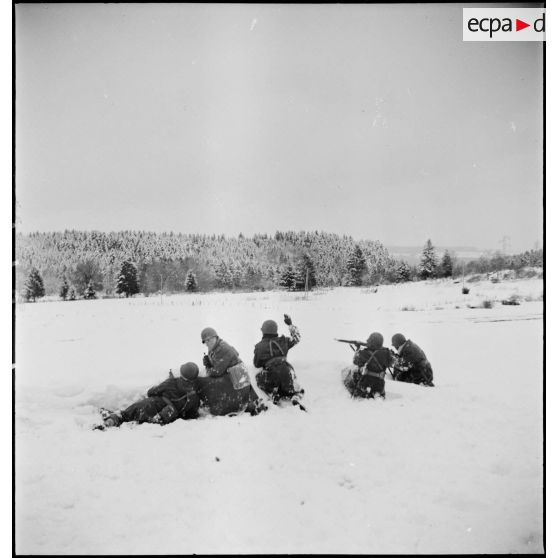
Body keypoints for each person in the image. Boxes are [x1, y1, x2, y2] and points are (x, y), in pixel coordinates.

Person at [96, 362, 201, 429]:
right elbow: (191, 415)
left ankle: (111, 421)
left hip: (152, 405)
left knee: (125, 415)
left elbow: (151, 392)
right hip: (164, 418)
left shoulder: (172, 382)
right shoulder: (194, 397)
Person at [197, 327, 267, 416]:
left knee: (205, 382)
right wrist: (209, 362)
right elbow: (217, 366)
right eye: (205, 341)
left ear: (215, 337)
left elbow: (216, 372)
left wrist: (207, 366)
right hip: (235, 377)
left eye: (209, 340)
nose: (207, 343)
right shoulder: (215, 347)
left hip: (236, 380)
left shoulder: (222, 348)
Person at [253, 314, 305, 409]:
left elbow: (256, 364)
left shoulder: (259, 346)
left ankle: (273, 394)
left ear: (263, 331)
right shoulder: (284, 341)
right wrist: (290, 324)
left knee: (257, 377)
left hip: (271, 377)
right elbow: (297, 338)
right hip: (287, 373)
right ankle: (295, 396)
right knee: (295, 389)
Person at [343, 332, 393, 399]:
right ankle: (377, 393)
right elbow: (391, 363)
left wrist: (358, 348)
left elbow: (355, 361)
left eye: (369, 339)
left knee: (348, 373)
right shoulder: (387, 353)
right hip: (379, 385)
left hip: (364, 383)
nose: (367, 340)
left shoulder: (363, 353)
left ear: (372, 342)